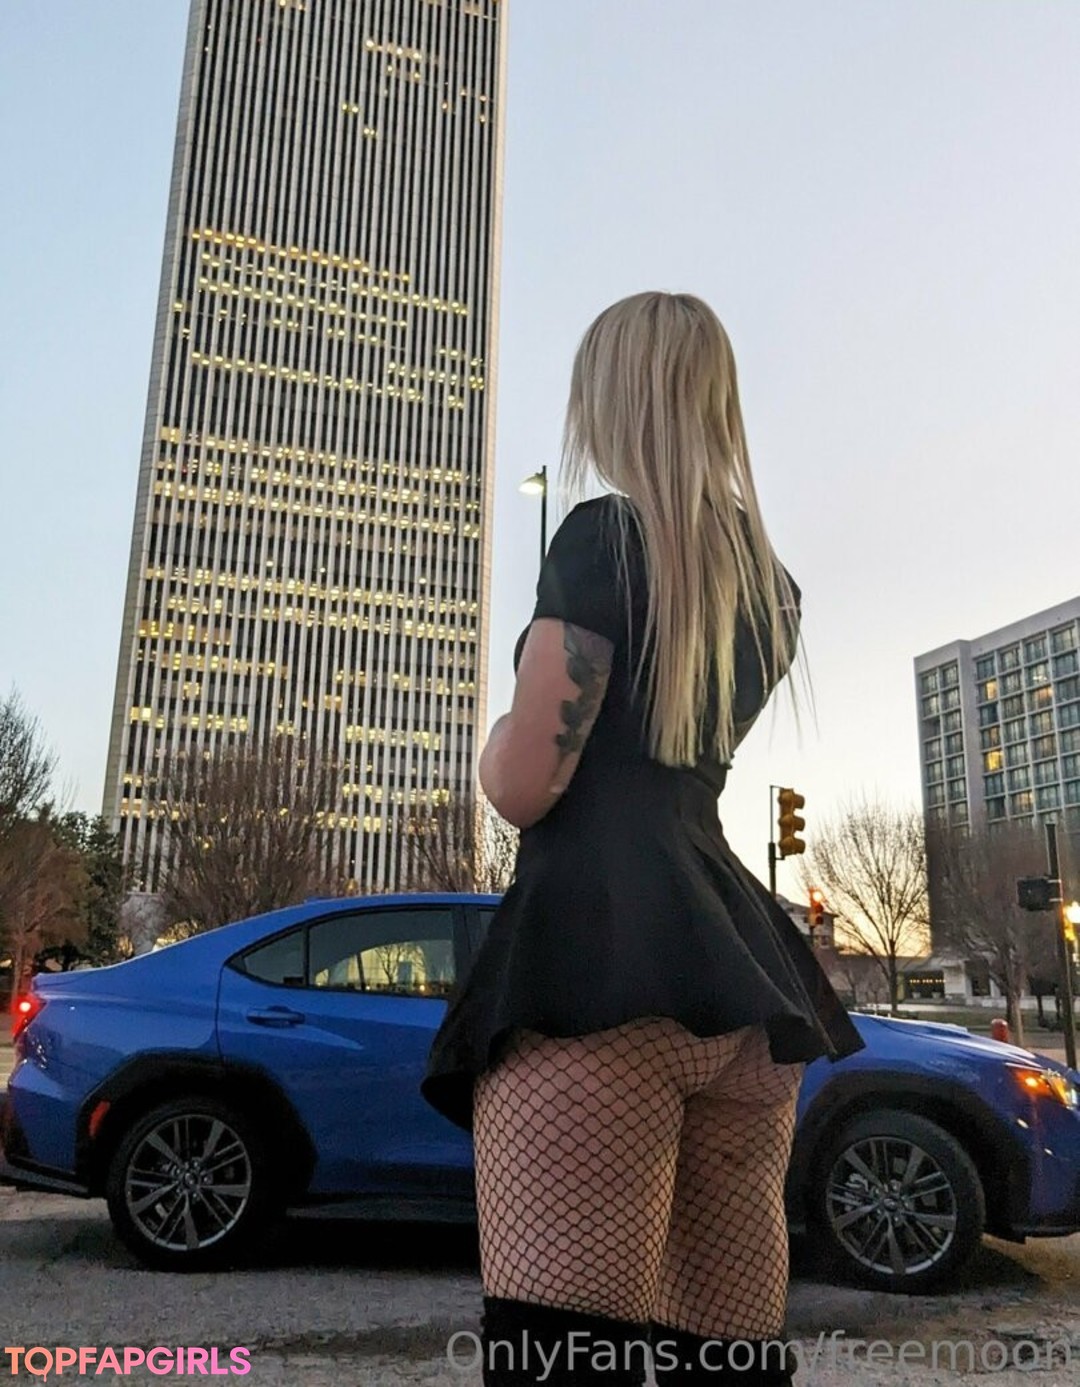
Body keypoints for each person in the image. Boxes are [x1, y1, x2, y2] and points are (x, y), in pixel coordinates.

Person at [421, 292, 865, 1386]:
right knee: (725, 1358)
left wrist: (493, 738)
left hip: (594, 964)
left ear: (612, 401)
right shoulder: (771, 586)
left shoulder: (600, 538)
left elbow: (527, 784)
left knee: (564, 1356)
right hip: (739, 980)